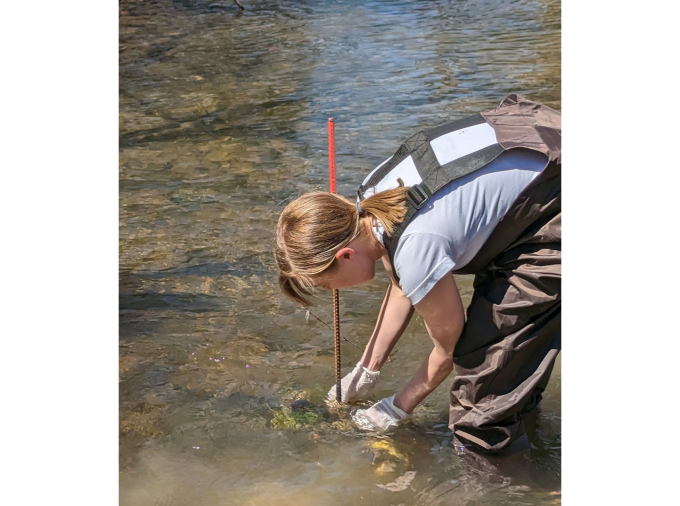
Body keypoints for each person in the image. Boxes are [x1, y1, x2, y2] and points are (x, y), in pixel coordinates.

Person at [274, 94, 561, 454]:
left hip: (555, 202)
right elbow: (403, 284)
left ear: (345, 255)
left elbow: (448, 349)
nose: (333, 290)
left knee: (480, 387)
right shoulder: (371, 195)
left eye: (325, 283)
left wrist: (398, 405)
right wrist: (367, 370)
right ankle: (528, 425)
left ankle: (499, 483)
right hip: (539, 136)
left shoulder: (415, 247)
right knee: (507, 366)